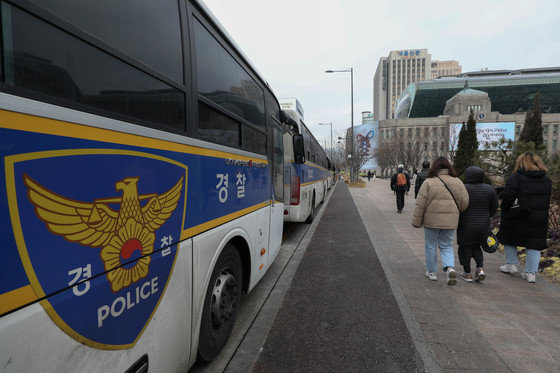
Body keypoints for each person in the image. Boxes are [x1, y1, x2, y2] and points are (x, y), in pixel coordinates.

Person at [412, 157, 469, 285]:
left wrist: (416, 221)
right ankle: (450, 268)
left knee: (430, 246)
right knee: (447, 245)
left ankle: (432, 272)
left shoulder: (429, 182)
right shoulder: (458, 182)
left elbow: (420, 203)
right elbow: (465, 203)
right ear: (449, 167)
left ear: (434, 167)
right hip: (450, 221)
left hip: (431, 221)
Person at [498, 152, 551, 283]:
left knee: (509, 237)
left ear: (520, 163)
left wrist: (505, 209)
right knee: (534, 243)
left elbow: (508, 197)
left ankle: (511, 265)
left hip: (518, 214)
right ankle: (531, 273)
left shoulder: (516, 178)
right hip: (538, 217)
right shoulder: (547, 179)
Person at [457, 166, 498, 282]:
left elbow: (459, 205)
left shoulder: (463, 188)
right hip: (483, 224)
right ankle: (480, 269)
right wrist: (487, 215)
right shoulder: (489, 189)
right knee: (477, 245)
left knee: (465, 247)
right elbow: (494, 206)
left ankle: (467, 273)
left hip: (466, 223)